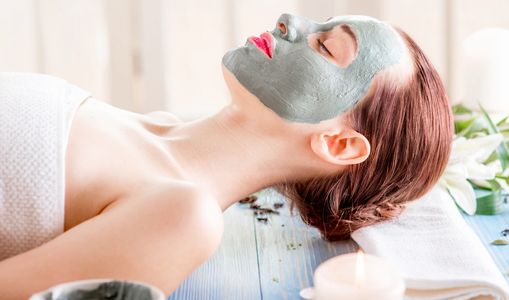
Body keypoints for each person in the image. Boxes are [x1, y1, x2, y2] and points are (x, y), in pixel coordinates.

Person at [0, 13, 452, 298]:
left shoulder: (182, 215)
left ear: (338, 144)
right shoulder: (156, 123)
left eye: (326, 46)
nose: (288, 21)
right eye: (318, 26)